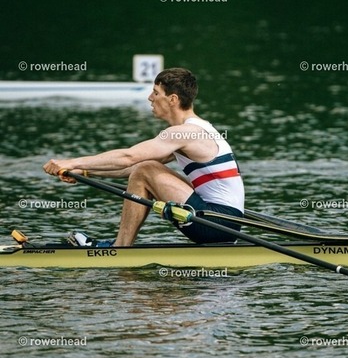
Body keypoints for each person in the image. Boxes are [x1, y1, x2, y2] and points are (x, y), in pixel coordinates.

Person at [43, 67, 244, 246]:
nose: (150, 98)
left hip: (218, 223)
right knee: (145, 168)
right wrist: (85, 172)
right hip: (222, 222)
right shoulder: (199, 129)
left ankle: (120, 247)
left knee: (146, 169)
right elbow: (132, 169)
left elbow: (129, 157)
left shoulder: (185, 132)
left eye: (156, 93)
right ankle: (122, 245)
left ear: (173, 99)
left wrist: (70, 162)